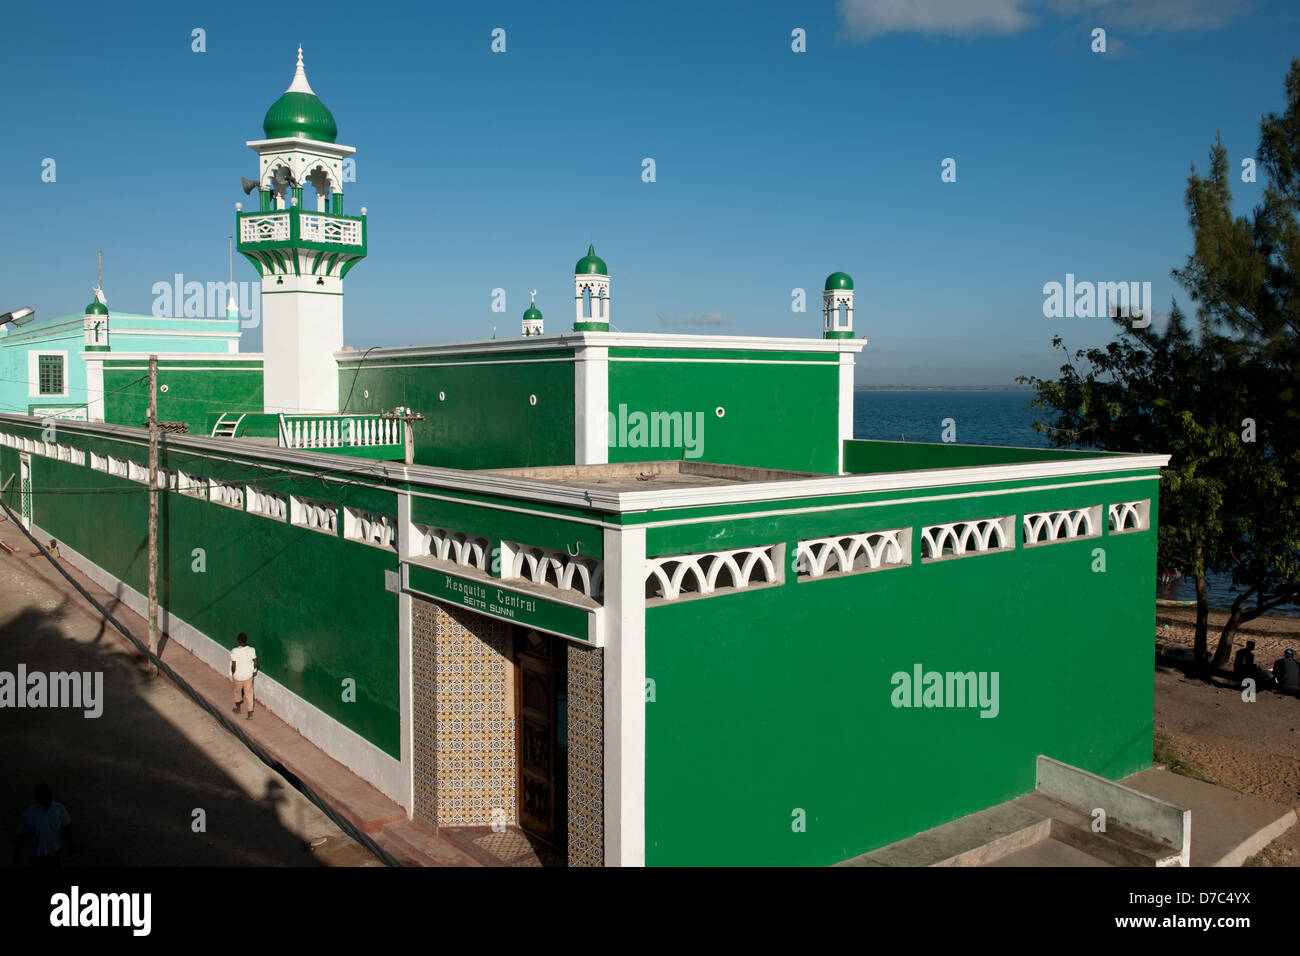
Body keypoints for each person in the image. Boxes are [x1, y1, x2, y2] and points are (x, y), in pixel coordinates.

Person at [14, 784, 73, 867]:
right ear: (37, 797)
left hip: (55, 854)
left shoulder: (59, 809)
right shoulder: (29, 815)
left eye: (48, 796)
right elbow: (22, 835)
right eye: (43, 796)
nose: (47, 799)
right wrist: (17, 852)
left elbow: (66, 828)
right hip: (38, 857)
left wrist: (70, 845)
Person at [230, 632, 258, 719]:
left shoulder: (234, 651)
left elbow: (234, 665)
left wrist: (233, 674)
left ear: (238, 641)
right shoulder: (252, 650)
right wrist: (253, 671)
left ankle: (238, 709)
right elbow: (256, 662)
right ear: (246, 640)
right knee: (249, 693)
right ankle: (250, 714)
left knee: (237, 692)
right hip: (248, 676)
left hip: (238, 676)